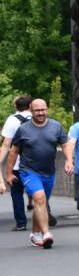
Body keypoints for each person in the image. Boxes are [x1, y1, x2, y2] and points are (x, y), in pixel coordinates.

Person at [2, 98, 73, 249]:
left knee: (40, 203)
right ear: (31, 110)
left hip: (48, 172)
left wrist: (69, 160)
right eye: (37, 110)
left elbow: (65, 144)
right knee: (39, 199)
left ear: (47, 109)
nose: (40, 113)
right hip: (28, 171)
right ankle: (46, 233)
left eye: (43, 110)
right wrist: (9, 174)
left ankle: (35, 234)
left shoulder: (56, 126)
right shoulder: (23, 129)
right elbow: (13, 152)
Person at [0, 95, 33, 232]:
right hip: (35, 163)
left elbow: (6, 143)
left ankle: (21, 222)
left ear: (16, 107)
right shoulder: (38, 118)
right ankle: (45, 214)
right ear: (30, 106)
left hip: (17, 164)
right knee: (39, 190)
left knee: (17, 193)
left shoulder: (12, 120)